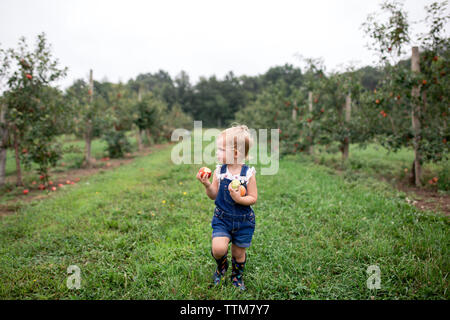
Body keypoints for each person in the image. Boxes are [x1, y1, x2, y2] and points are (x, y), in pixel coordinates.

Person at [196, 124, 257, 290]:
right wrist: (208, 185)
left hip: (244, 221)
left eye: (221, 149)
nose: (217, 153)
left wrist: (239, 199)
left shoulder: (248, 174)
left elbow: (253, 198)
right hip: (222, 218)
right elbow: (214, 195)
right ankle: (221, 267)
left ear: (235, 153)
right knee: (218, 249)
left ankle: (237, 277)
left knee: (238, 254)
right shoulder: (219, 171)